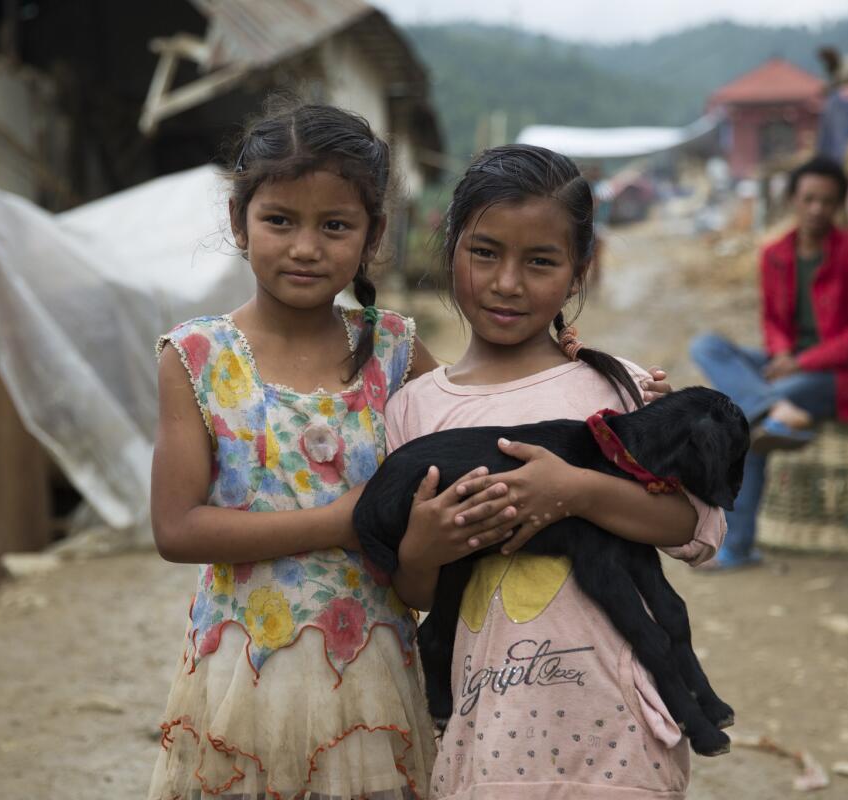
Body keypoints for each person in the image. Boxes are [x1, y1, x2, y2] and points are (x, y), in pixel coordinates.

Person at [146, 103, 674, 799]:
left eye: (335, 225)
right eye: (281, 220)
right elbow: (177, 528)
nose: (306, 247)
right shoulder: (198, 356)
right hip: (244, 670)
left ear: (373, 235)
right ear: (238, 218)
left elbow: (479, 417)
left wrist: (567, 367)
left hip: (375, 667)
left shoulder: (391, 350)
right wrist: (343, 522)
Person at [385, 144, 727, 799]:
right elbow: (412, 592)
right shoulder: (417, 410)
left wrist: (577, 491)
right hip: (485, 737)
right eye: (484, 252)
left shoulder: (616, 388)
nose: (507, 283)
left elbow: (697, 527)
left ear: (579, 272)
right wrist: (423, 549)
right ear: (449, 247)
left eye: (540, 261)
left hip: (618, 737)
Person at [689, 155, 848, 570]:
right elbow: (773, 320)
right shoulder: (776, 253)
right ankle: (772, 408)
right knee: (706, 346)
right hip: (789, 365)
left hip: (843, 373)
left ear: (838, 205)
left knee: (743, 421)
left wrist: (803, 362)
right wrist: (782, 354)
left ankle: (738, 547)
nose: (817, 208)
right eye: (809, 199)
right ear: (794, 200)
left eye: (827, 201)